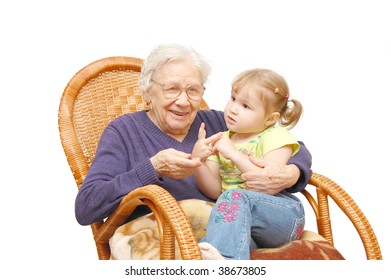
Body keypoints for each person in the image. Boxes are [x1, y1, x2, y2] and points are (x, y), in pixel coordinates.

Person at [74, 45, 312, 246]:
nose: (183, 101)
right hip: (168, 244)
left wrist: (292, 173)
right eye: (172, 89)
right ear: (147, 93)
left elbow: (289, 142)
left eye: (193, 90)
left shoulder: (217, 123)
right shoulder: (124, 131)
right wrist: (152, 168)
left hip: (235, 235)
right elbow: (86, 207)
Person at [191, 68, 305, 260]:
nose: (233, 108)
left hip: (282, 216)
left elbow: (268, 183)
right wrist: (198, 161)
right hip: (248, 225)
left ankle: (226, 265)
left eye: (245, 106)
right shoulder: (222, 139)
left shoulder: (276, 136)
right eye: (233, 98)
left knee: (235, 196)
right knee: (209, 241)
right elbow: (215, 190)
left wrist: (234, 154)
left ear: (270, 118)